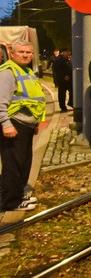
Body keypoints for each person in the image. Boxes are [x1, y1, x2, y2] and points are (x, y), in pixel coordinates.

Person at [0, 40, 45, 212]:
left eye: (28, 52)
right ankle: (10, 202)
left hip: (25, 125)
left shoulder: (26, 71)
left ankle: (18, 196)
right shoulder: (8, 72)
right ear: (12, 53)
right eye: (21, 52)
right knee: (13, 165)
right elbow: (1, 102)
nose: (25, 55)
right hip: (14, 124)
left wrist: (34, 123)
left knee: (24, 163)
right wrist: (6, 124)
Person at [51, 48, 73, 112]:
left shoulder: (71, 59)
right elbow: (56, 69)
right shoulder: (58, 60)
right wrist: (63, 76)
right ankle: (63, 107)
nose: (68, 53)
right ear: (63, 52)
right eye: (67, 52)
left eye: (69, 51)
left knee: (72, 92)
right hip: (62, 80)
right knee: (62, 94)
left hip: (70, 79)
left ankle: (71, 103)